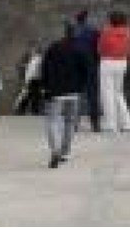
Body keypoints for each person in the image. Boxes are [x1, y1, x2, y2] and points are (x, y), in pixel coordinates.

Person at [37, 21, 93, 168]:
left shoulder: (53, 47)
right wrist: (81, 87)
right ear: (76, 33)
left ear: (65, 32)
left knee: (52, 120)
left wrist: (44, 86)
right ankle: (65, 151)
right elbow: (87, 70)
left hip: (55, 91)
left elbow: (44, 68)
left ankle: (54, 150)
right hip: (74, 92)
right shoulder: (81, 49)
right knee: (70, 122)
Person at [97, 11, 130, 134]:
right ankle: (127, 123)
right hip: (122, 62)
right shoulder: (127, 32)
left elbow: (100, 48)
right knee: (118, 93)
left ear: (112, 21)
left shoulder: (107, 32)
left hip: (107, 62)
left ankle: (110, 124)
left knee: (107, 94)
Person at [72, 9, 103, 132]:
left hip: (76, 66)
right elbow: (98, 49)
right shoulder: (94, 31)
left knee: (75, 94)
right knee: (92, 94)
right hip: (91, 64)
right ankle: (95, 124)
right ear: (86, 18)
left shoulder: (72, 31)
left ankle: (74, 123)